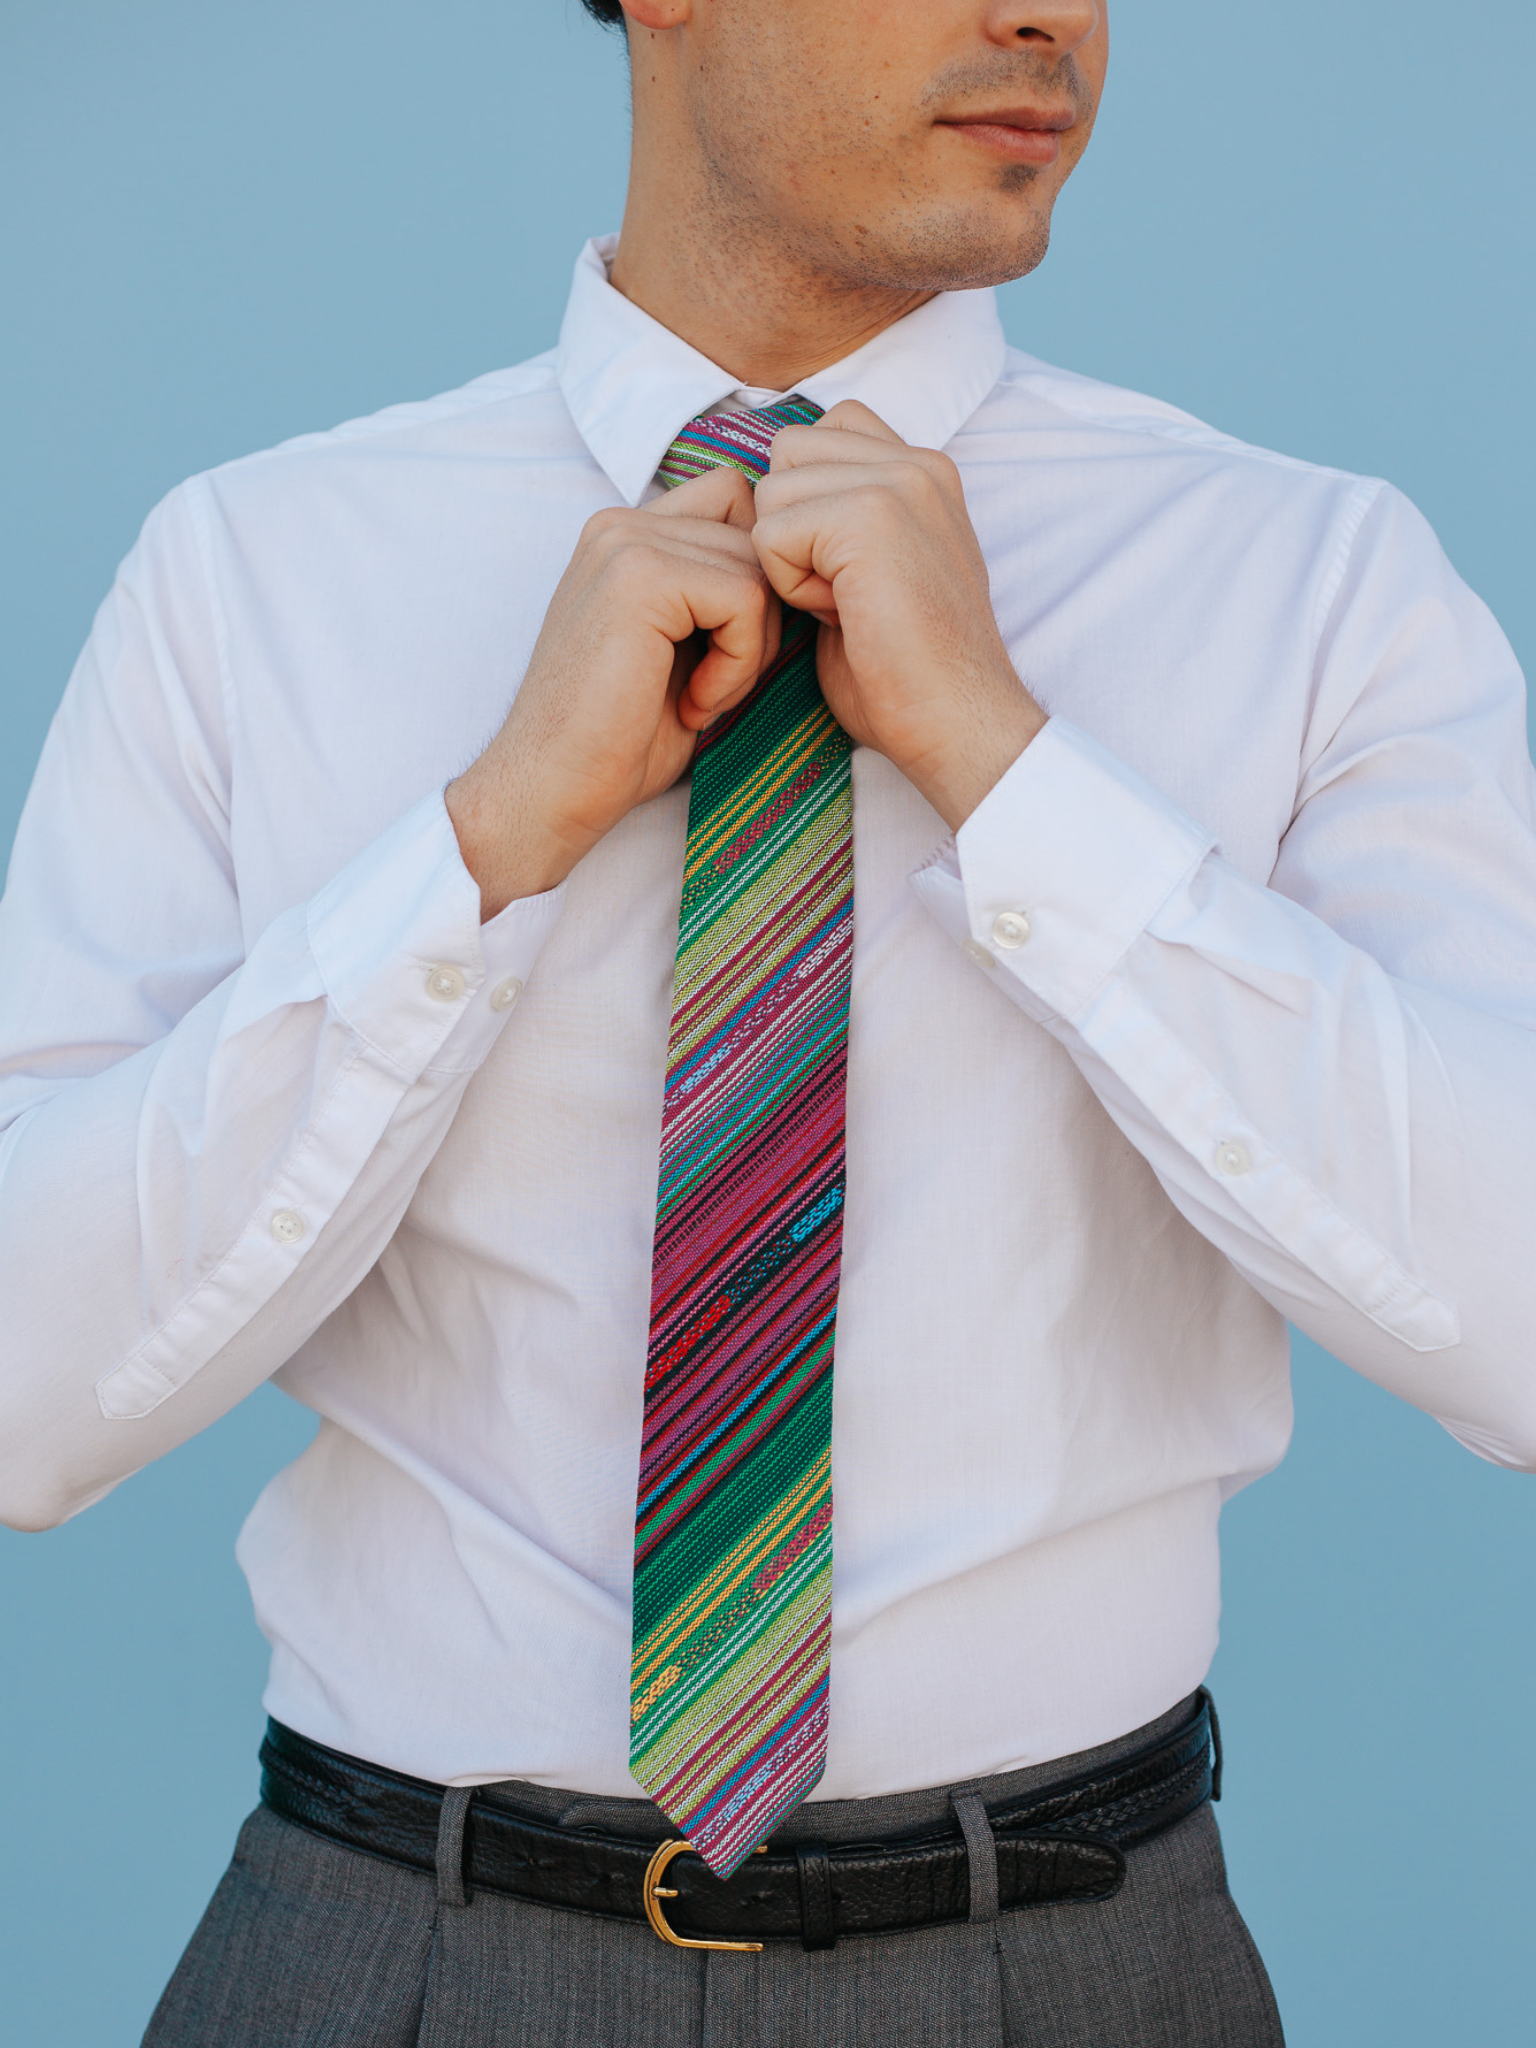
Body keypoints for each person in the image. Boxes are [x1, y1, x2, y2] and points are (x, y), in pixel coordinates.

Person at [3, 0, 1534, 2039]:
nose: (1042, 15)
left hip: (1080, 1968)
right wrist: (478, 848)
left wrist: (1015, 775)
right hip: (394, 1960)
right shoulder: (254, 575)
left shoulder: (1314, 582)